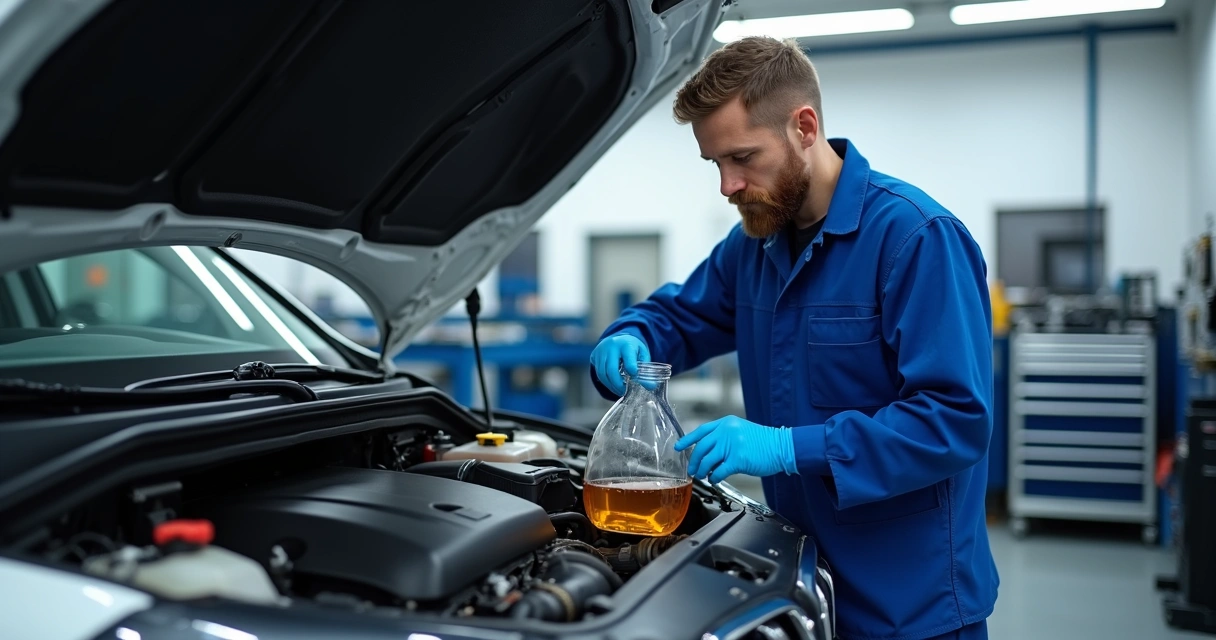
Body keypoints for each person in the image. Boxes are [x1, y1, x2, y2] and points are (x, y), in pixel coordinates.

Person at [589, 37, 998, 640]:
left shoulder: (916, 239)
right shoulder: (755, 245)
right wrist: (631, 333)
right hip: (798, 584)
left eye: (743, 157)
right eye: (715, 164)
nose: (727, 185)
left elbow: (955, 420)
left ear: (804, 126)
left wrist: (786, 448)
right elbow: (678, 318)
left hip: (911, 607)